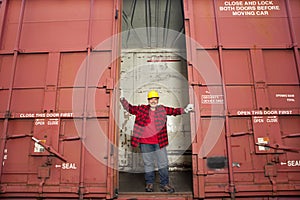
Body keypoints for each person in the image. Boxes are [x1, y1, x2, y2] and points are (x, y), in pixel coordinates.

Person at [120, 89, 193, 193]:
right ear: (148, 100)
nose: (153, 101)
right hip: (145, 143)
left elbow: (174, 111)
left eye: (155, 99)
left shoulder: (162, 109)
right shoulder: (141, 109)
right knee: (148, 164)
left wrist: (185, 110)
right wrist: (122, 99)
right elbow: (130, 108)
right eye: (151, 99)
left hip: (159, 142)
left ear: (157, 100)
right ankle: (149, 183)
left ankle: (165, 184)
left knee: (163, 163)